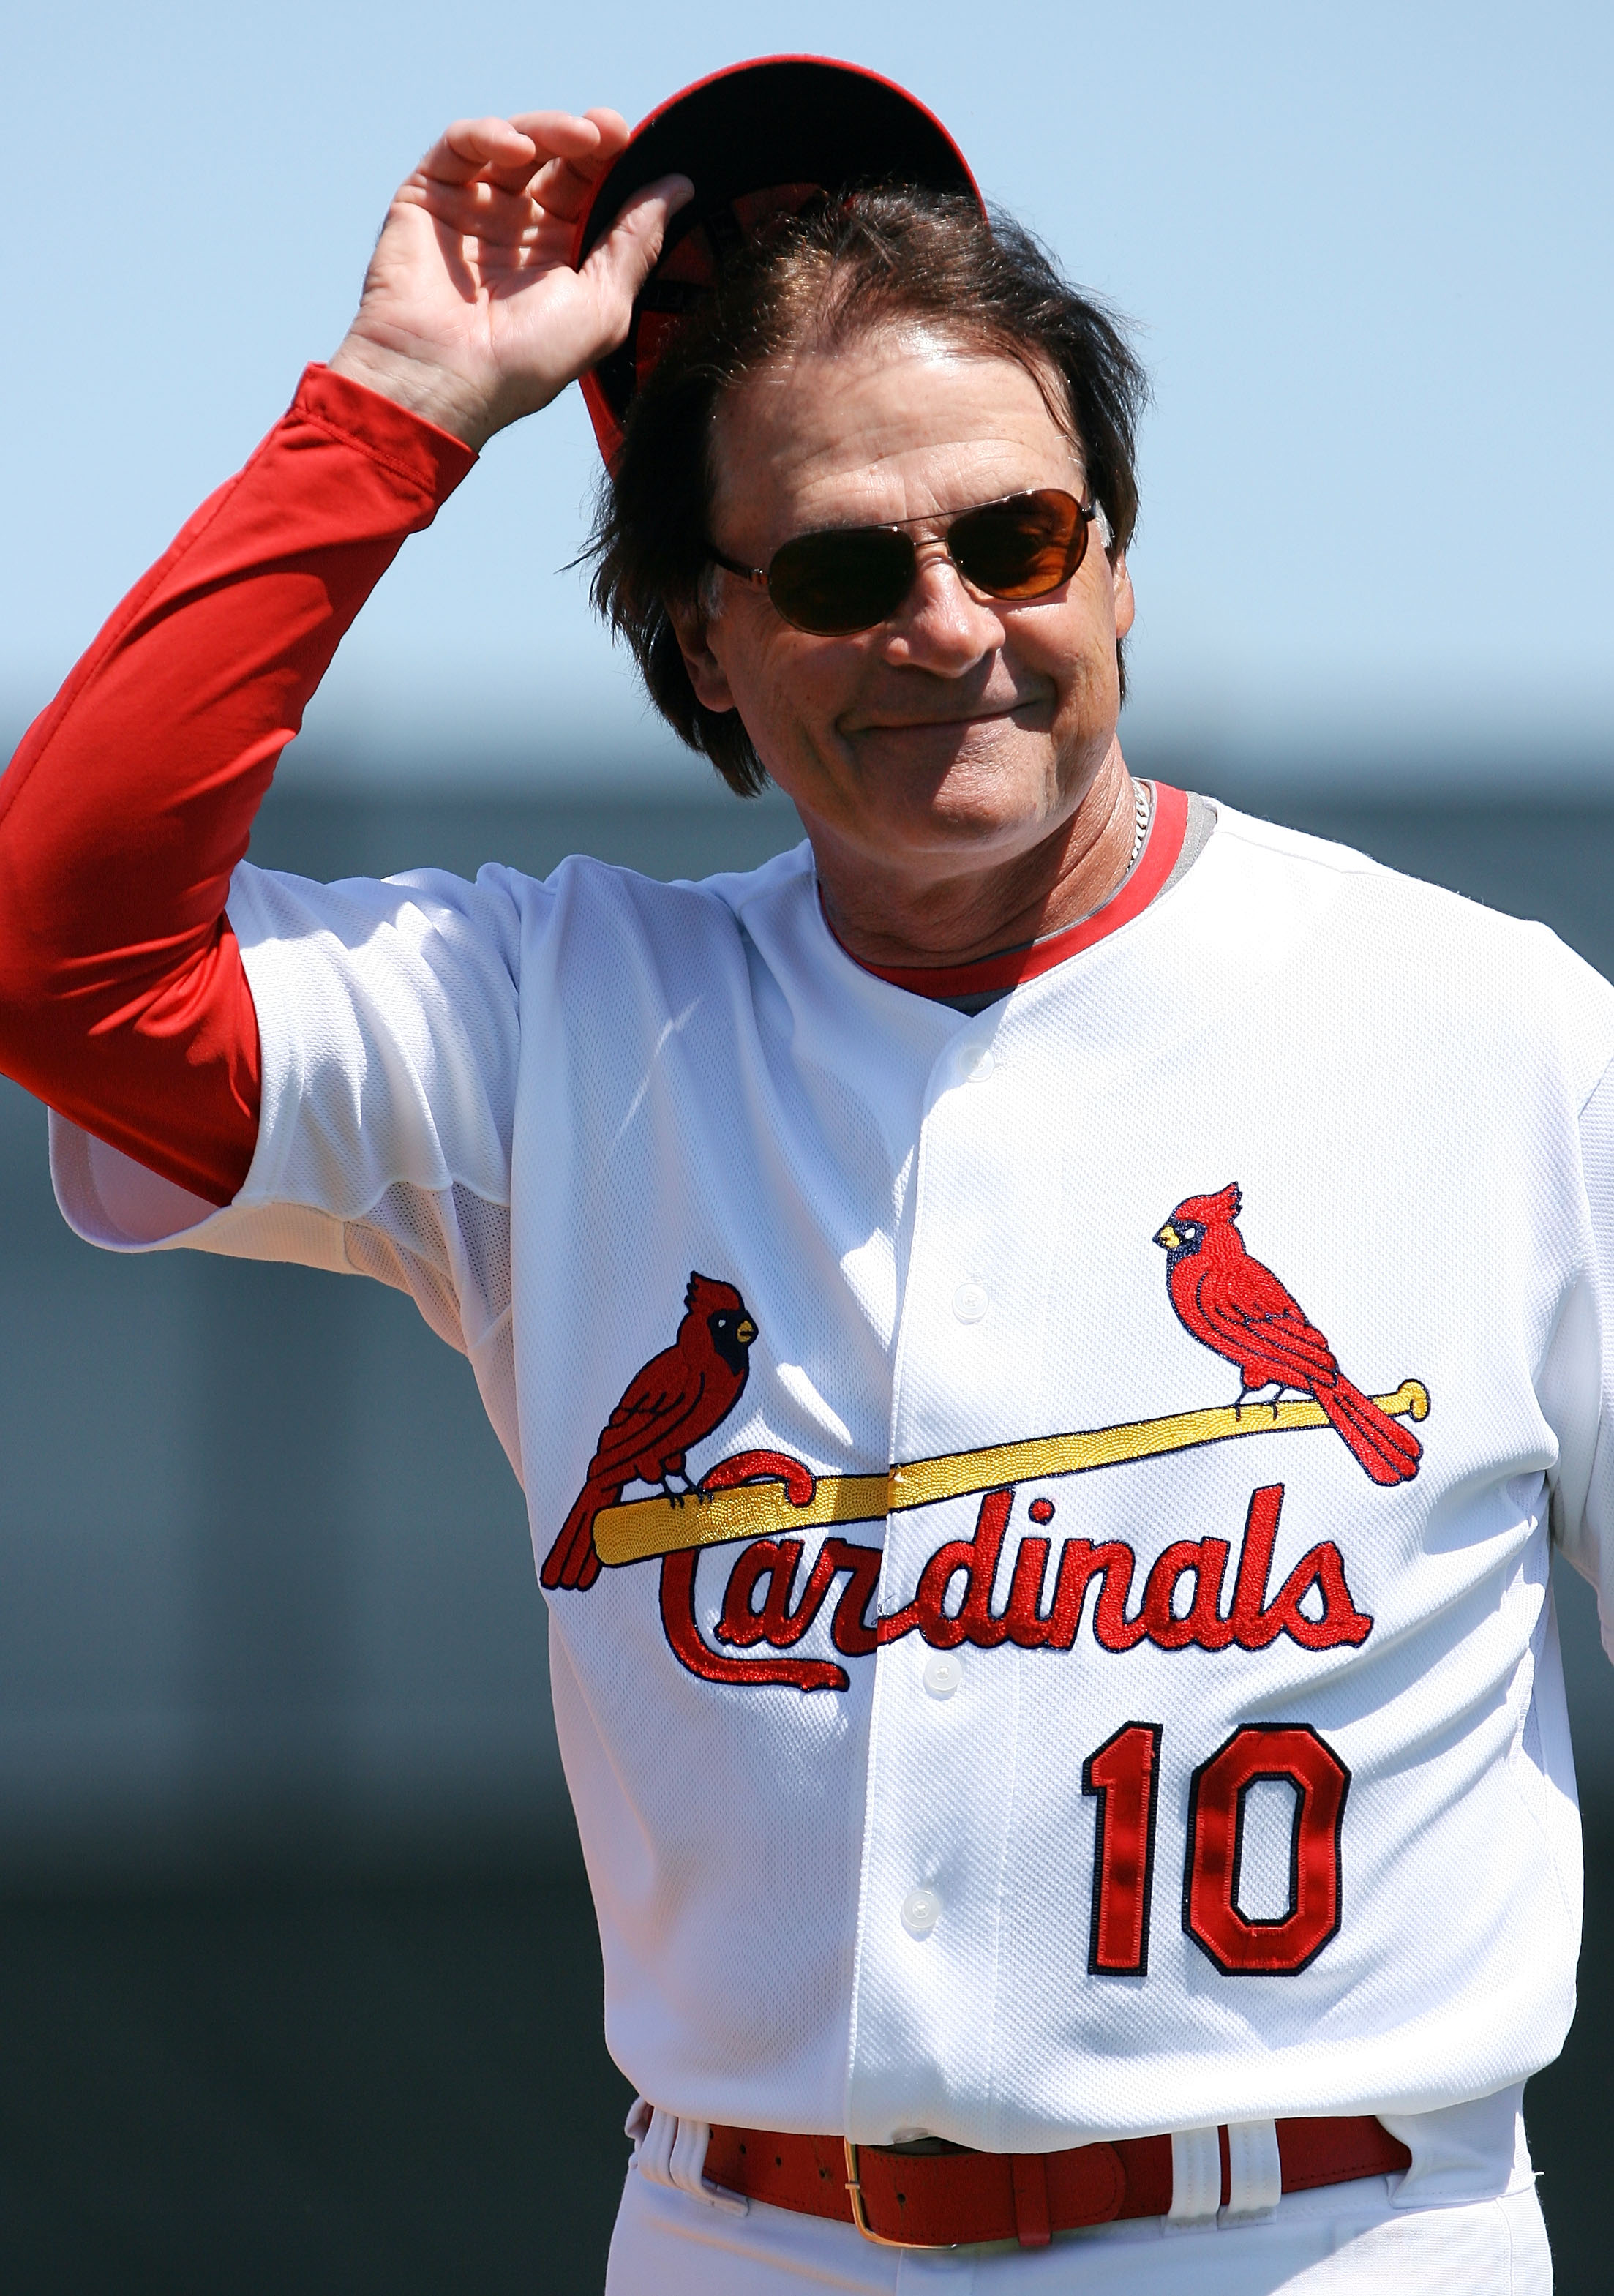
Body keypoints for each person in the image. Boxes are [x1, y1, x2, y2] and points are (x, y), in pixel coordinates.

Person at [0, 53, 1602, 2295]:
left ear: (1117, 574)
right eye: (848, 569)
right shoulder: (550, 1011)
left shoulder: (1500, 1034)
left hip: (1335, 2232)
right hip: (743, 2233)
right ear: (707, 654)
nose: (950, 622)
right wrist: (390, 408)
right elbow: (62, 951)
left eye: (1019, 540)